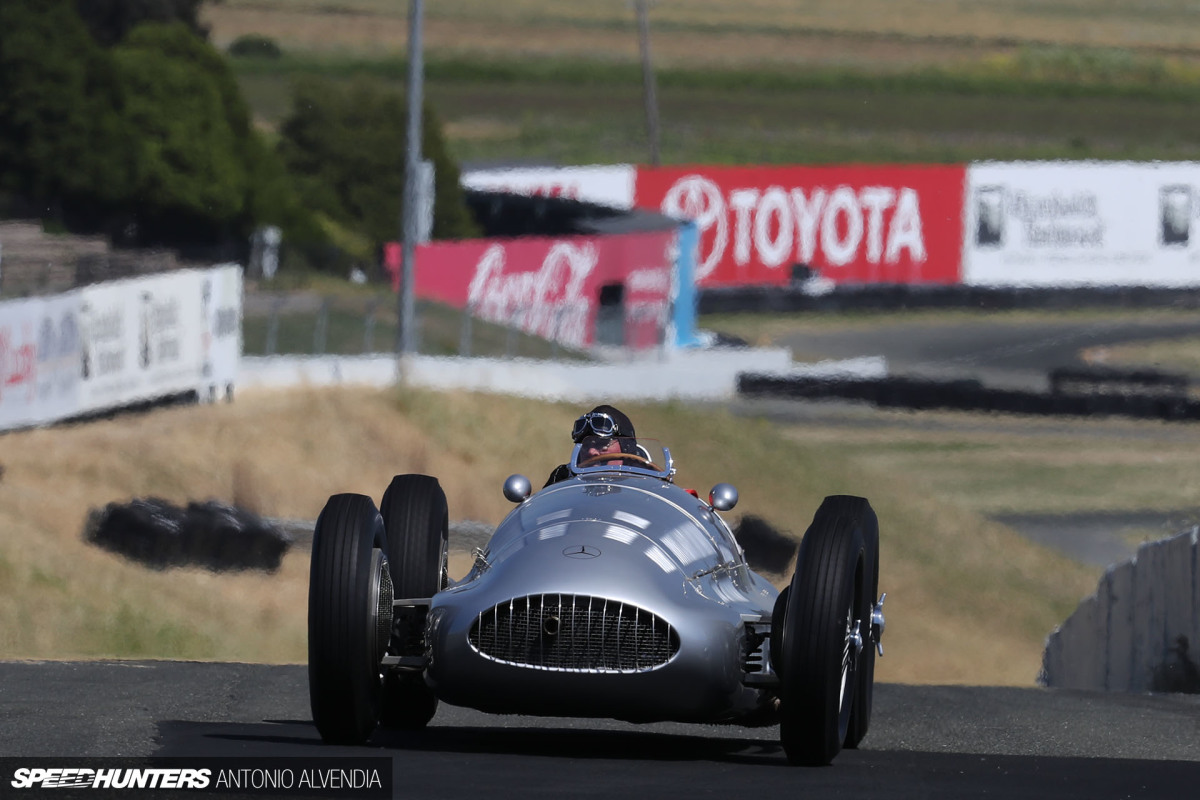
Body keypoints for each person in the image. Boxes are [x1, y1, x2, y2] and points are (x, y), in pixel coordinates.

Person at [544, 404, 636, 486]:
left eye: (603, 444)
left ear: (626, 447)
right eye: (586, 445)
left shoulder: (645, 486)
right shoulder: (562, 480)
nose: (591, 451)